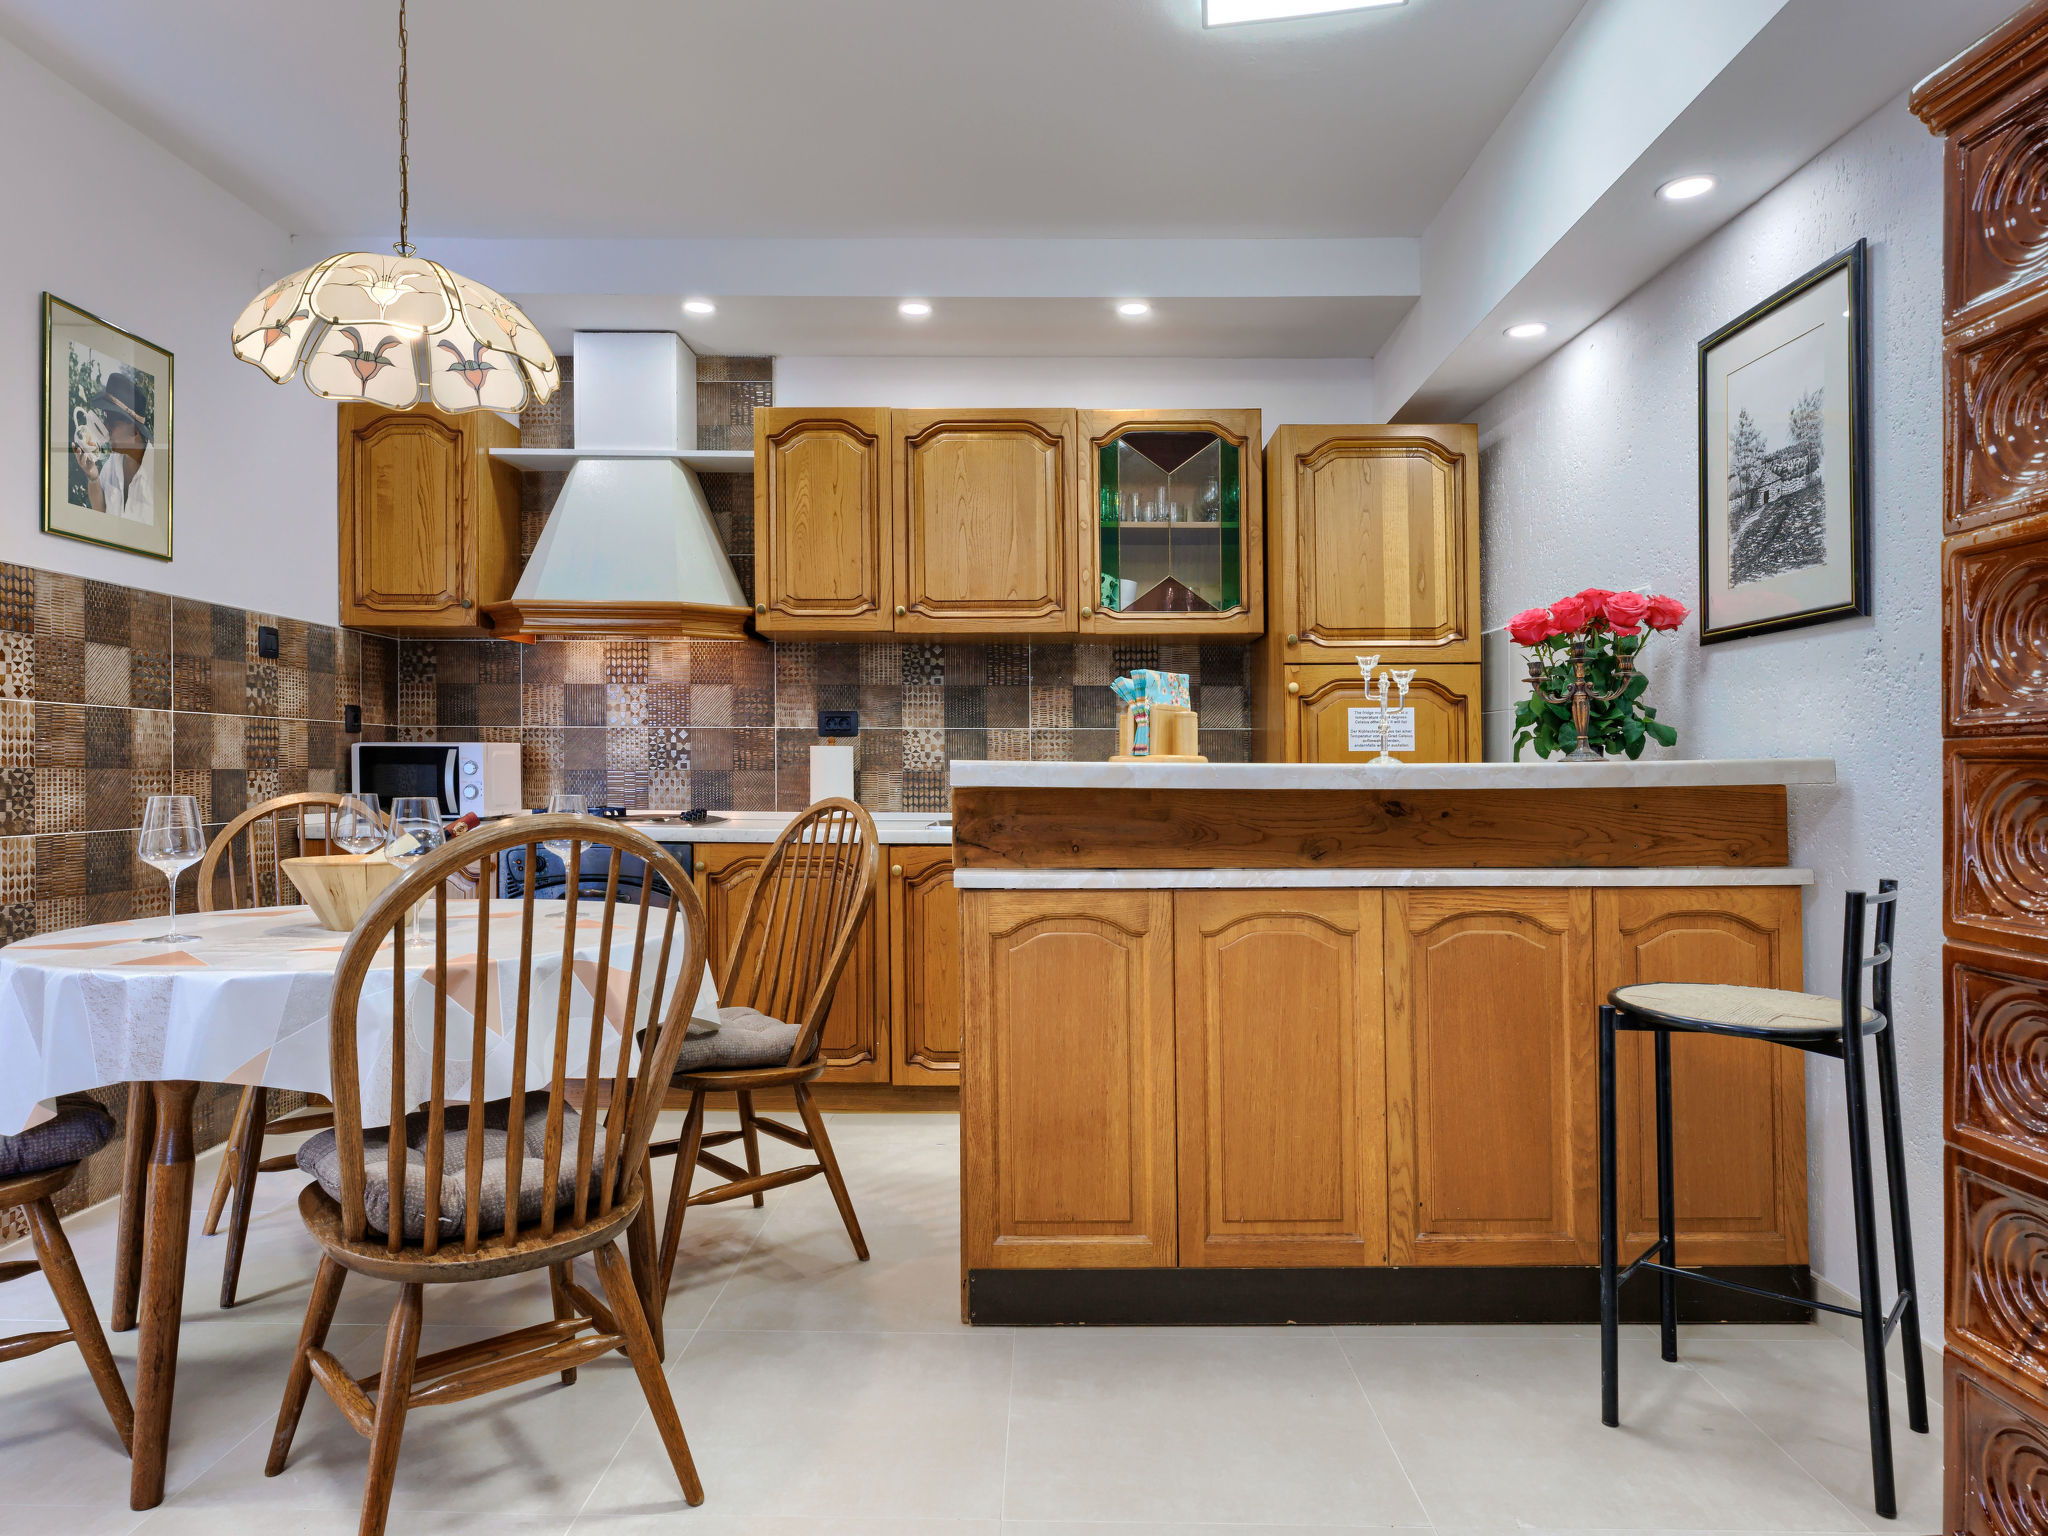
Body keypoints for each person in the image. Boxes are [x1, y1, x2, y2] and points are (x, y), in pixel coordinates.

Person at [72, 370, 153, 524]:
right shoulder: (111, 465)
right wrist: (93, 476)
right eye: (105, 419)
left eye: (112, 422)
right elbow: (101, 510)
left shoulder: (158, 474)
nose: (106, 427)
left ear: (134, 430)